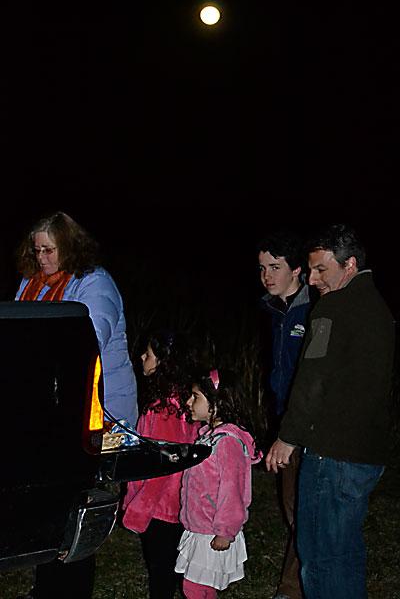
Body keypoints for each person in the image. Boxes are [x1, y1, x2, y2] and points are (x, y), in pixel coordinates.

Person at [266, 223, 395, 599]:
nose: (313, 278)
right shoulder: (377, 307)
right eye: (310, 269)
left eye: (322, 269)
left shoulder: (333, 307)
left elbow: (312, 378)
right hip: (366, 453)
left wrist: (287, 438)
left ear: (349, 264)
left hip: (332, 454)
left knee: (320, 558)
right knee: (346, 552)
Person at [15, 210, 138, 599]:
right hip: (49, 412)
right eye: (36, 251)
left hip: (99, 411)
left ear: (69, 247)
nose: (42, 258)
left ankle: (71, 589)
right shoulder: (31, 283)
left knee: (82, 506)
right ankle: (47, 586)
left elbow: (85, 344)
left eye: (49, 250)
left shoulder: (94, 284)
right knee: (50, 504)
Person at [122, 330, 200, 599]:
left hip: (161, 509)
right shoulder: (179, 402)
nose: (142, 357)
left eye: (148, 354)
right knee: (167, 570)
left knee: (161, 573)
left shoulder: (165, 409)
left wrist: (138, 510)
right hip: (173, 506)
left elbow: (162, 467)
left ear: (164, 362)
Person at [258, 230, 314, 599]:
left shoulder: (314, 310)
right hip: (283, 421)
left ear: (297, 270)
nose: (266, 275)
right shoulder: (270, 309)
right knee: (294, 509)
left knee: (305, 513)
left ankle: (293, 588)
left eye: (274, 267)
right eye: (262, 268)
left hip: (308, 428)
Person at [175, 368, 263, 599]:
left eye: (196, 397)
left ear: (216, 402)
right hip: (200, 527)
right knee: (200, 587)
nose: (188, 401)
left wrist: (226, 530)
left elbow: (233, 490)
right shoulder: (208, 437)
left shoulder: (226, 443)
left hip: (212, 529)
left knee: (195, 588)